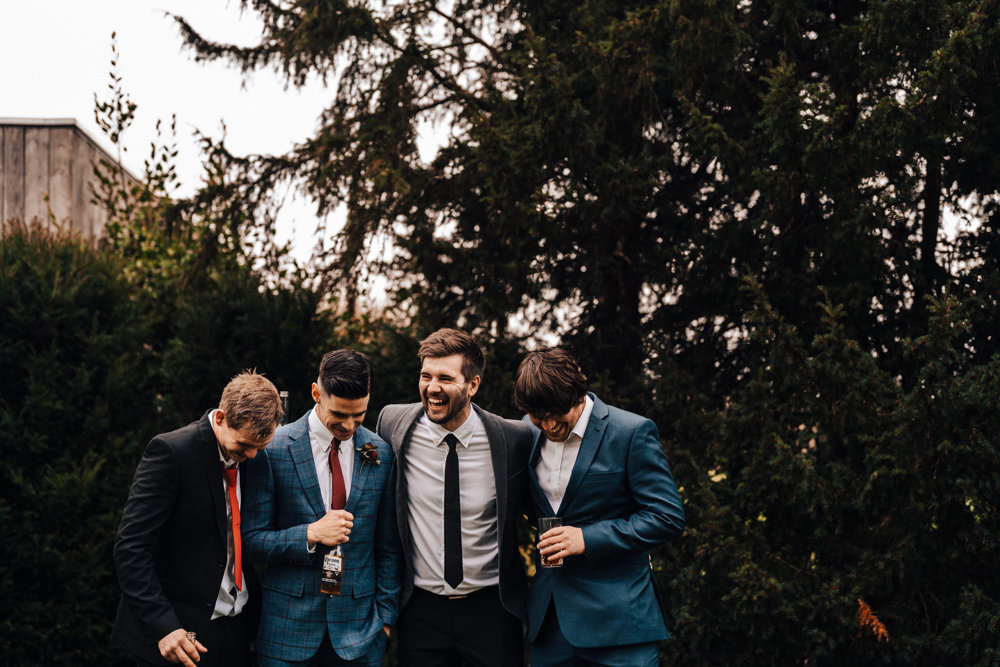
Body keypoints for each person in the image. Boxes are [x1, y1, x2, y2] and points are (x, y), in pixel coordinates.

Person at [513, 348, 686, 667]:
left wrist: (587, 538)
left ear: (578, 394)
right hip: (551, 624)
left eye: (556, 413)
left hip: (620, 623)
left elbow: (667, 517)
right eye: (539, 416)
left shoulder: (631, 432)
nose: (548, 425)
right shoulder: (526, 430)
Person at [376, 328, 533, 666]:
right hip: (420, 609)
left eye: (445, 378)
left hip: (491, 608)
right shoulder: (392, 424)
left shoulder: (513, 438)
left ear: (473, 385)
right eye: (425, 376)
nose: (432, 388)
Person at [241, 349, 401, 667]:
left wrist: (385, 620)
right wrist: (310, 534)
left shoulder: (379, 451)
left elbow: (388, 547)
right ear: (316, 393)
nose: (350, 425)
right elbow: (250, 541)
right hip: (287, 633)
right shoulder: (273, 450)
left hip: (361, 636)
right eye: (340, 414)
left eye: (359, 414)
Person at [112, 371, 284, 667]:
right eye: (244, 446)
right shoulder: (171, 453)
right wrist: (164, 626)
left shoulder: (253, 458)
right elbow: (131, 548)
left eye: (261, 447)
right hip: (177, 635)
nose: (253, 456)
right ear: (220, 418)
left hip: (235, 633)